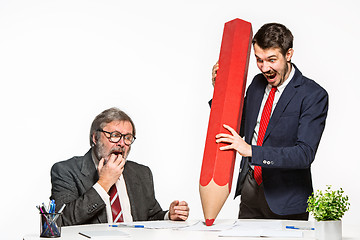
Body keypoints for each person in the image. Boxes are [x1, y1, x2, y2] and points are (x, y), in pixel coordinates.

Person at [212, 23, 328, 220]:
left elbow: (304, 154)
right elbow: (238, 128)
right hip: (250, 194)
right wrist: (220, 89)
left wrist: (252, 151)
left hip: (286, 201)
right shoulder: (257, 85)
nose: (265, 68)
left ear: (289, 54)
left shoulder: (313, 95)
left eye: (272, 60)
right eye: (259, 60)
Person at [50, 107, 189, 226]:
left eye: (128, 137)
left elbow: (150, 218)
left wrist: (169, 216)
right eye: (115, 135)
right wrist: (104, 183)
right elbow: (61, 221)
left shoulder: (142, 173)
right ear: (95, 138)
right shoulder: (65, 171)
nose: (122, 143)